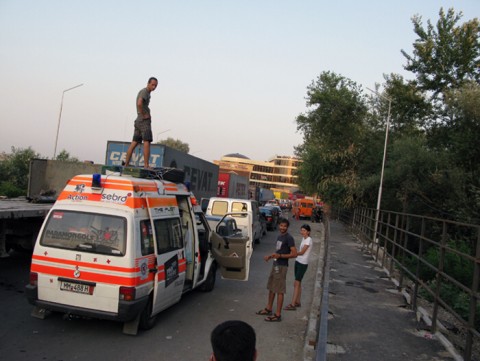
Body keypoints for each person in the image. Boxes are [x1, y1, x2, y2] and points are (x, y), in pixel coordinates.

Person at [256, 218, 297, 322]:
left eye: (284, 226)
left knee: (279, 291)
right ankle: (268, 308)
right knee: (271, 288)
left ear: (287, 227)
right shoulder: (279, 236)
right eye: (281, 225)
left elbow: (294, 254)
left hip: (282, 266)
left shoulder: (289, 238)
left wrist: (280, 256)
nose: (282, 228)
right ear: (279, 225)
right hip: (276, 265)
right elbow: (277, 252)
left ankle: (278, 315)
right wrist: (270, 256)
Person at [124, 77, 158, 169]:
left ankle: (126, 165)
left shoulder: (147, 93)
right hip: (143, 121)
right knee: (147, 141)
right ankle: (146, 165)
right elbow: (139, 103)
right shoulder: (144, 92)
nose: (154, 87)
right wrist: (143, 114)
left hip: (138, 120)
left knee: (134, 142)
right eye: (152, 85)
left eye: (155, 85)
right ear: (148, 83)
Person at [284, 224, 312, 310]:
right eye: (301, 230)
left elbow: (302, 252)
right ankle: (297, 301)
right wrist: (295, 253)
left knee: (296, 283)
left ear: (308, 232)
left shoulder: (308, 240)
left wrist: (293, 253)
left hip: (303, 263)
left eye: (304, 230)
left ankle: (292, 304)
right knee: (298, 283)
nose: (302, 232)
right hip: (298, 261)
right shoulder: (304, 239)